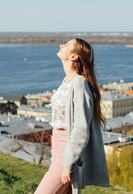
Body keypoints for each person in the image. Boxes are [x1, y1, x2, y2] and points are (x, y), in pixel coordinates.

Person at [34, 38, 110, 194]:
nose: (61, 45)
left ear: (74, 56)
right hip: (57, 152)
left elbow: (81, 129)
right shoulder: (67, 81)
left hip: (66, 153)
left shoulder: (79, 84)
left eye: (67, 45)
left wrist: (67, 164)